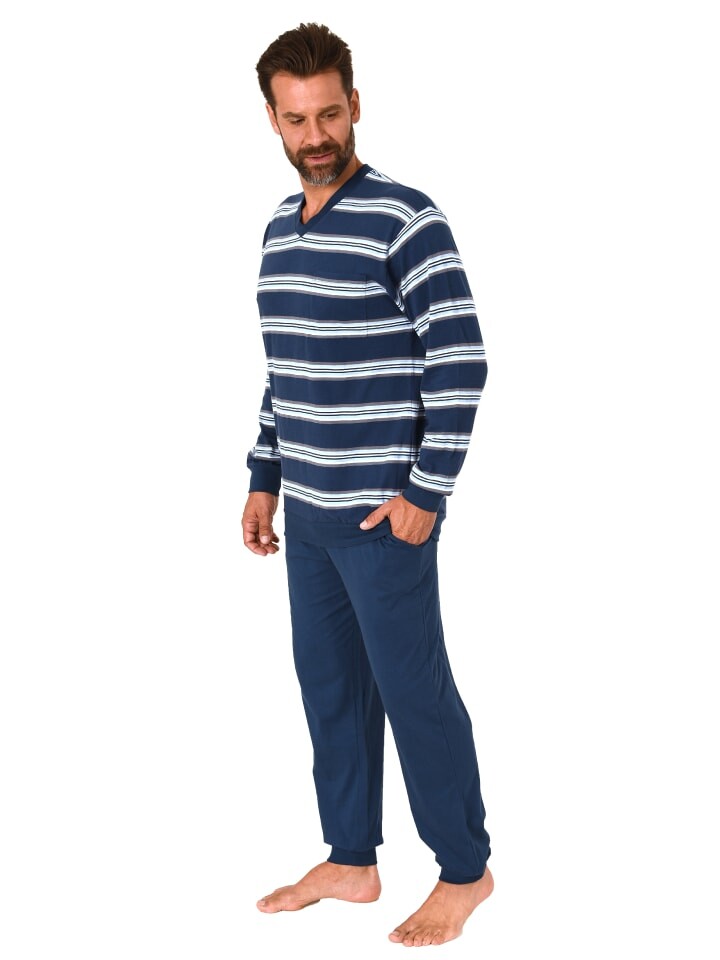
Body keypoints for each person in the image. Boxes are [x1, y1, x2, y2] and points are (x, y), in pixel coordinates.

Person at [242, 22, 493, 948]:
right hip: (307, 516)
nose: (316, 136)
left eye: (329, 114)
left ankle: (465, 870)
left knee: (414, 691)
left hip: (386, 515)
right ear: (273, 120)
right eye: (296, 119)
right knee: (331, 689)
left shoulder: (406, 218)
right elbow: (287, 368)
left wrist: (427, 491)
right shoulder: (279, 228)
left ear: (355, 105)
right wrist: (264, 475)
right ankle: (351, 860)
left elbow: (460, 360)